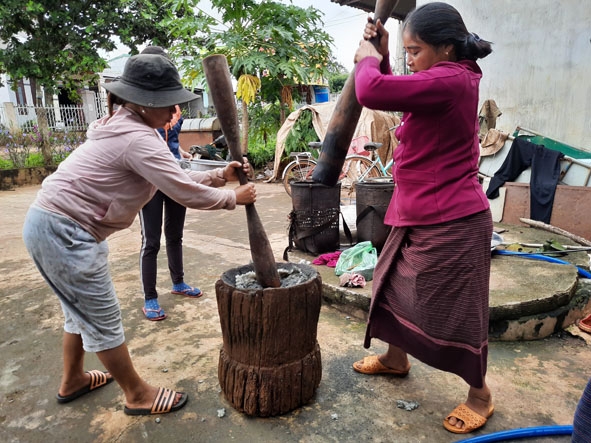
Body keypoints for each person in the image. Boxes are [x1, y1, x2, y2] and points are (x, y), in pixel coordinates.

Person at [22, 52, 256, 415]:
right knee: (101, 317)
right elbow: (184, 192)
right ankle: (137, 394)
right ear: (144, 103)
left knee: (77, 312)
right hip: (66, 231)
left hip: (50, 224)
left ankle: (73, 380)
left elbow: (173, 176)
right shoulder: (137, 138)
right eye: (167, 103)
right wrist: (232, 198)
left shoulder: (129, 127)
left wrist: (218, 176)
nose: (174, 110)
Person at [351, 2, 494, 435]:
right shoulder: (444, 80)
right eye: (408, 52)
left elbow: (371, 91)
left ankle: (480, 395)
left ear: (446, 48)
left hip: (453, 219)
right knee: (391, 285)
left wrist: (366, 61)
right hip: (418, 212)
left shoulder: (452, 79)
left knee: (457, 312)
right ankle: (397, 358)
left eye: (416, 51)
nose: (411, 61)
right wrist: (386, 53)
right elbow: (397, 88)